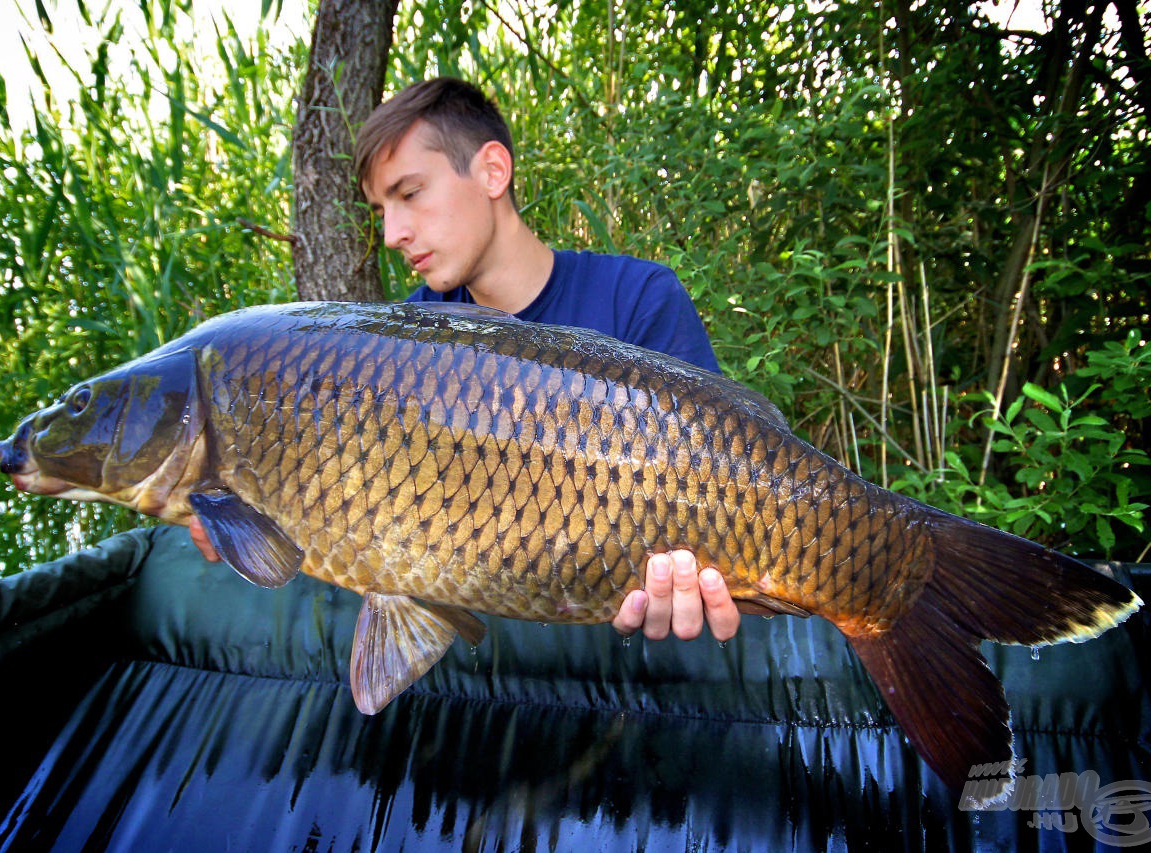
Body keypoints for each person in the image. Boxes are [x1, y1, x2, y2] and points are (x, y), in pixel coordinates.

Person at [191, 77, 740, 643]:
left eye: (409, 194)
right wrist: (244, 514)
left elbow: (732, 475)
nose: (391, 234)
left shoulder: (637, 298)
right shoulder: (400, 348)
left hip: (631, 668)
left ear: (492, 172)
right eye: (381, 209)